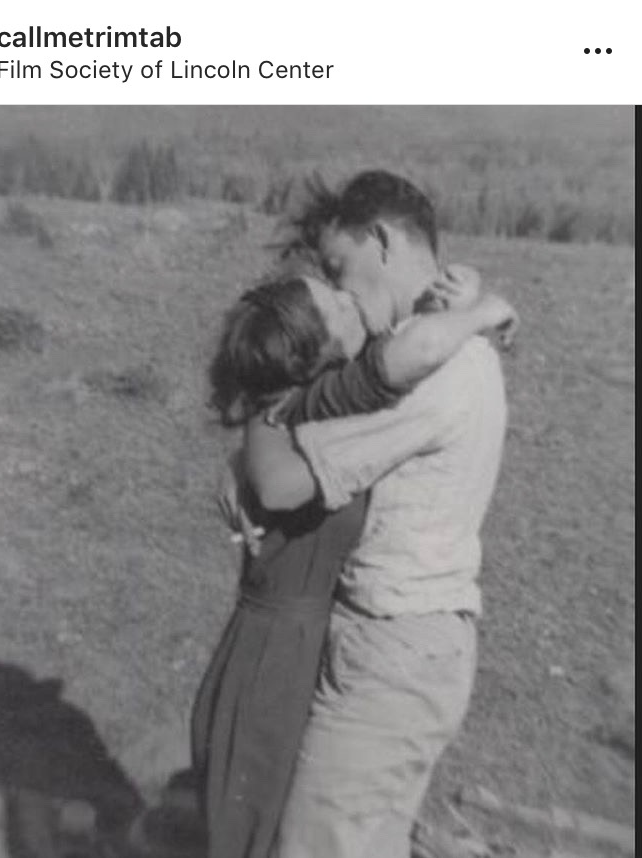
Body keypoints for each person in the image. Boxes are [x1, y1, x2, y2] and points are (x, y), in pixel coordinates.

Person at [235, 171, 512, 858]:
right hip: (412, 644)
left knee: (316, 845)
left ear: (382, 241)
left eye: (339, 268)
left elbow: (283, 481)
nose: (341, 292)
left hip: (393, 651)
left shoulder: (432, 365)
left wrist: (250, 438)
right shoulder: (440, 341)